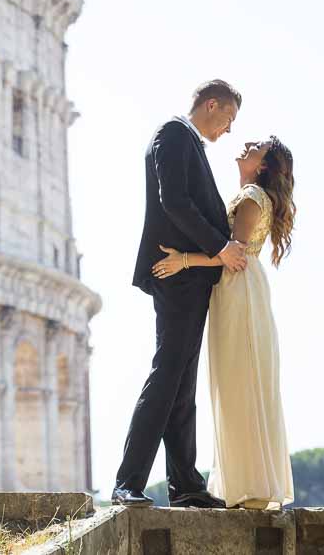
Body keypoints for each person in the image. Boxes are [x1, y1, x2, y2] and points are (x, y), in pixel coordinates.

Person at [111, 80, 245, 508]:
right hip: (177, 275)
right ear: (211, 105)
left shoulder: (187, 141)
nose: (227, 130)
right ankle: (127, 482)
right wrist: (221, 247)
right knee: (167, 375)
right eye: (228, 118)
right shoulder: (173, 133)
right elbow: (175, 202)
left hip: (191, 279)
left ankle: (185, 485)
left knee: (181, 382)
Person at [152, 136, 296, 509]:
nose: (247, 143)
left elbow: (232, 254)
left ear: (263, 166)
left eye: (258, 147)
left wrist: (182, 260)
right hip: (240, 289)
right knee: (240, 383)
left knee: (239, 383)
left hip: (239, 288)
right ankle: (250, 483)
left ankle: (251, 486)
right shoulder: (251, 195)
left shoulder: (251, 196)